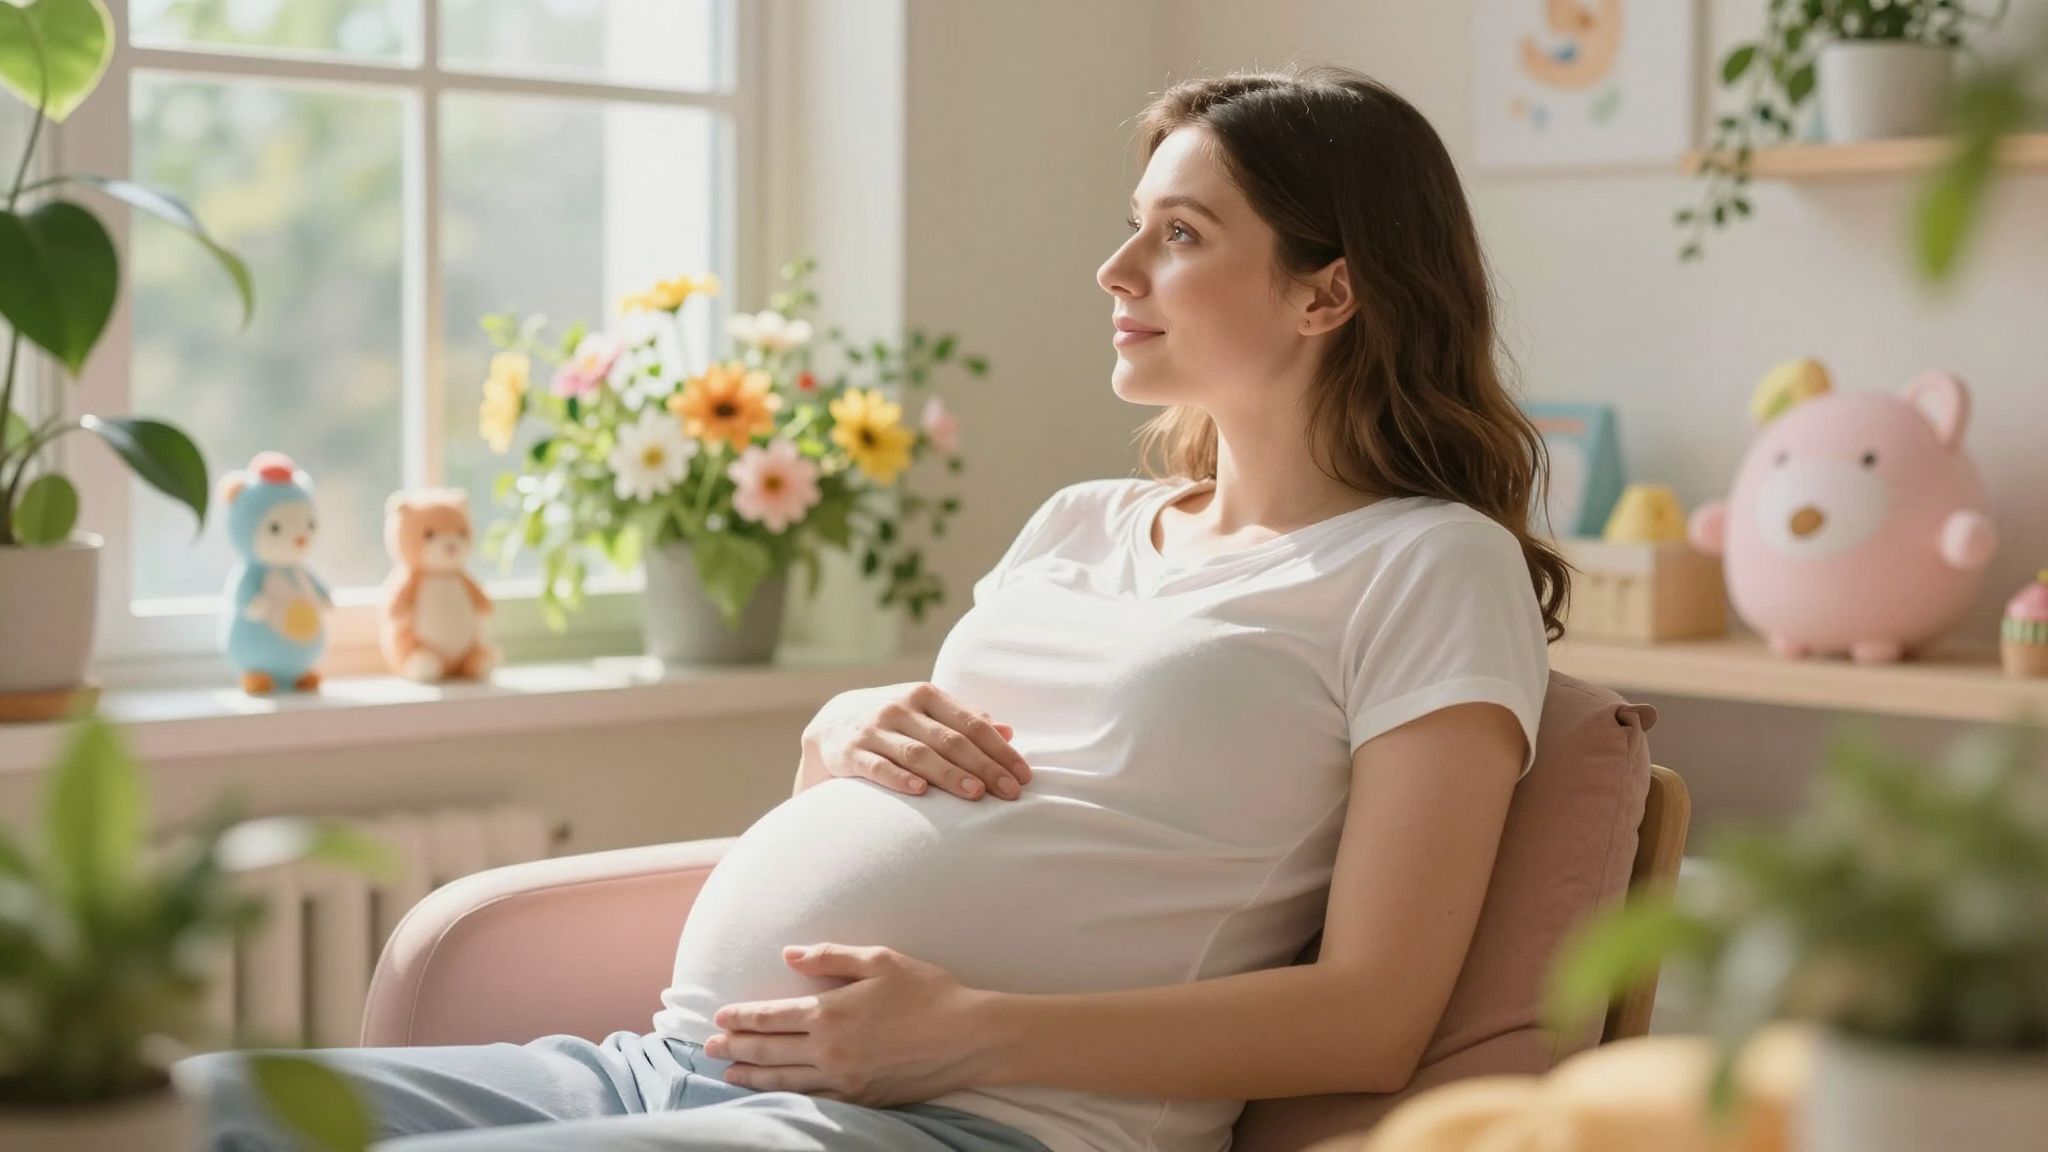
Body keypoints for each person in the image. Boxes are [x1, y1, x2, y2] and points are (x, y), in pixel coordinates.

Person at [178, 64, 1563, 1152]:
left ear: (1329, 291)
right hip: (662, 1067)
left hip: (966, 1125)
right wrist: (838, 734)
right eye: (1130, 227)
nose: (1116, 272)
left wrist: (974, 1034)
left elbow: (1373, 1018)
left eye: (1180, 234)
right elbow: (942, 799)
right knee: (167, 1113)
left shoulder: (1428, 565)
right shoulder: (1080, 521)